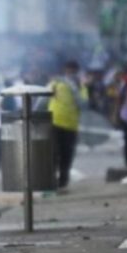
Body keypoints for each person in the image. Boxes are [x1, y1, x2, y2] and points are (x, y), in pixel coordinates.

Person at [47, 60, 87, 188]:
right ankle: (51, 180)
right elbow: (45, 95)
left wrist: (75, 88)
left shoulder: (80, 85)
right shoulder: (56, 82)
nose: (70, 73)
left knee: (66, 154)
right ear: (65, 70)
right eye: (69, 71)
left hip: (70, 124)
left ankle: (63, 181)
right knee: (54, 152)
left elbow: (84, 104)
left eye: (73, 71)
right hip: (55, 121)